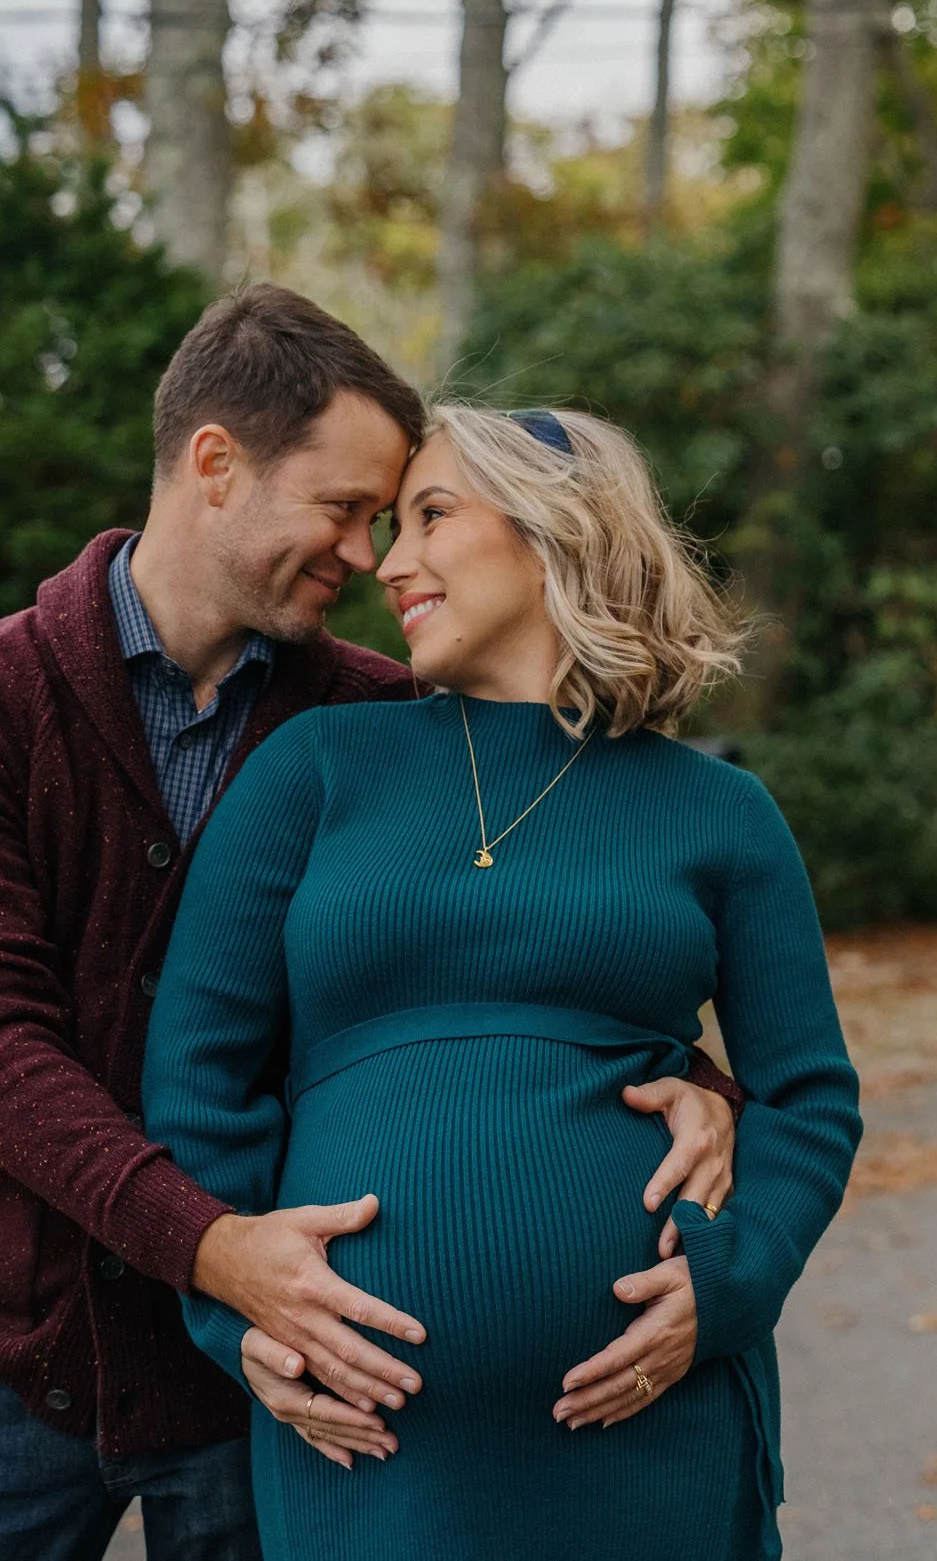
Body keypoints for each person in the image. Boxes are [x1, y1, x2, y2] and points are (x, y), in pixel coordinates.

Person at [0, 288, 744, 1561]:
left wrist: (697, 1080)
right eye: (342, 507)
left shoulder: (391, 727)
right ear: (215, 464)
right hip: (14, 1361)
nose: (368, 553)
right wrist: (212, 1249)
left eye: (390, 516)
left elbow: (547, 945)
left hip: (277, 1372)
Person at [142, 403, 861, 1560]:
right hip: (367, 1440)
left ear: (555, 531)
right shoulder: (317, 769)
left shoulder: (721, 812)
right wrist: (241, 1319)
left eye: (430, 515)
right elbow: (198, 1079)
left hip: (648, 1430)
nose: (389, 561)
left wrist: (731, 1285)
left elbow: (810, 1098)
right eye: (386, 523)